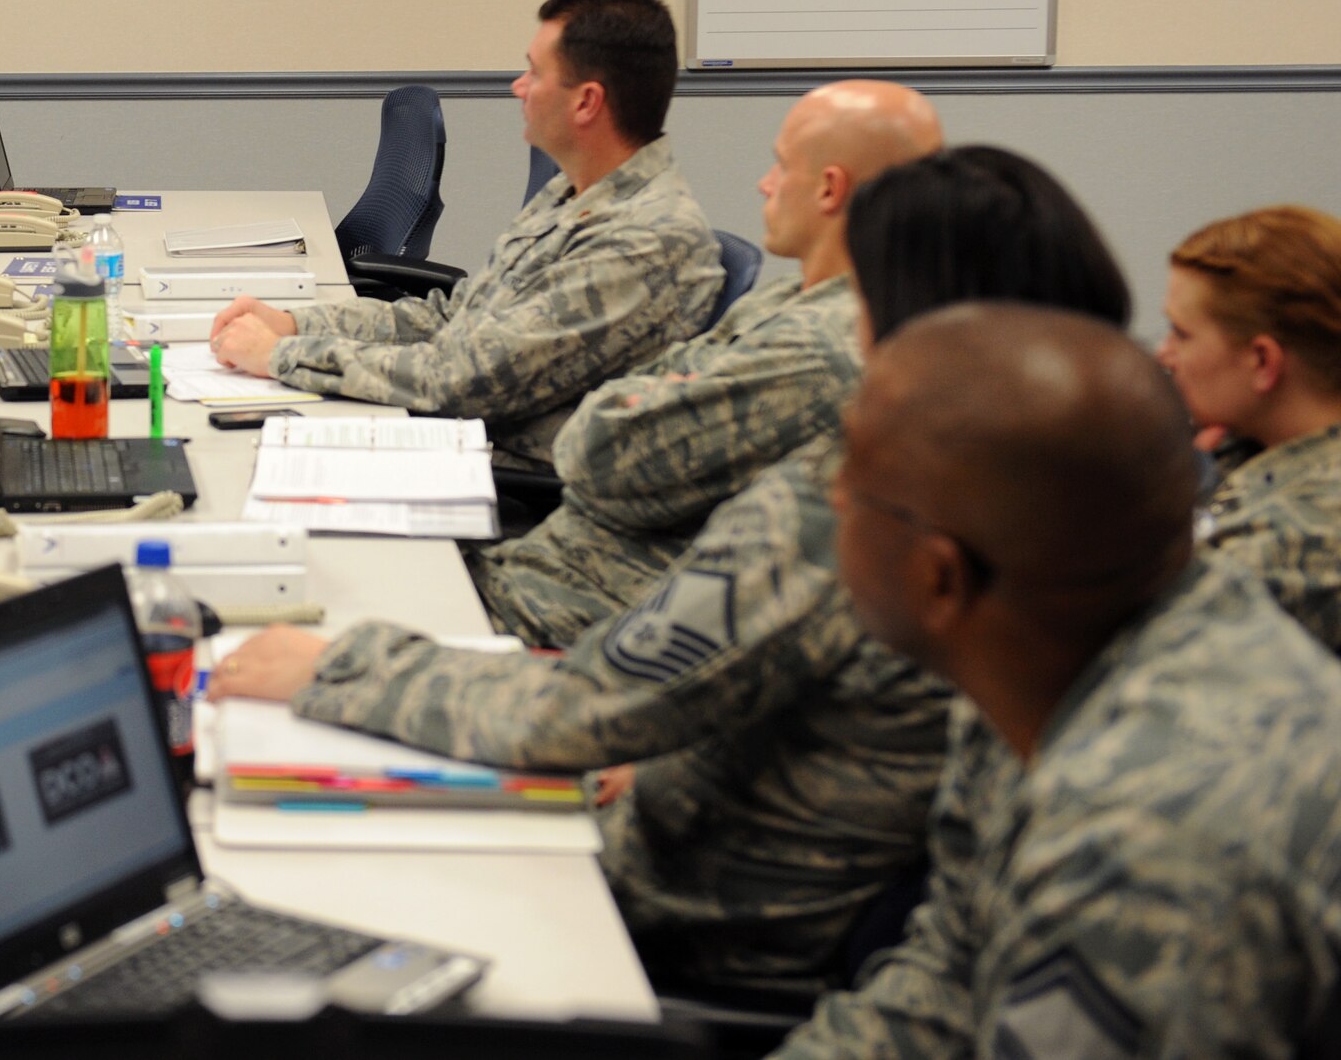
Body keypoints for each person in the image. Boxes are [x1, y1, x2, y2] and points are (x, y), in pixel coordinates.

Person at [213, 146, 1132, 998]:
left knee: (272, 903)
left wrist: (335, 665)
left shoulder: (854, 508)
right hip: (751, 867)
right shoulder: (1082, 520)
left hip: (667, 911)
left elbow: (584, 706)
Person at [771, 304, 1341, 1059]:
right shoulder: (1046, 653)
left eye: (853, 481)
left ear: (939, 576)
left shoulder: (1140, 846)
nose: (833, 496)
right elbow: (948, 975)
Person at [469, 79, 944, 646]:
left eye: (781, 166)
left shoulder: (817, 349)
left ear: (828, 190)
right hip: (547, 572)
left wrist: (629, 402)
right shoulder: (791, 298)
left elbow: (594, 455)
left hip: (582, 612)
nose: (764, 184)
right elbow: (645, 391)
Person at [210, 0, 722, 467]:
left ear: (586, 101)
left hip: (497, 476)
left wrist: (282, 354)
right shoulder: (572, 194)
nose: (518, 87)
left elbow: (464, 380)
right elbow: (453, 320)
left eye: (535, 74)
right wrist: (299, 324)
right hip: (452, 435)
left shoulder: (645, 238)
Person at [1159, 206, 1341, 655]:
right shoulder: (1246, 449)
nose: (1165, 354)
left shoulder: (1301, 539)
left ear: (1262, 362)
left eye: (1180, 334)